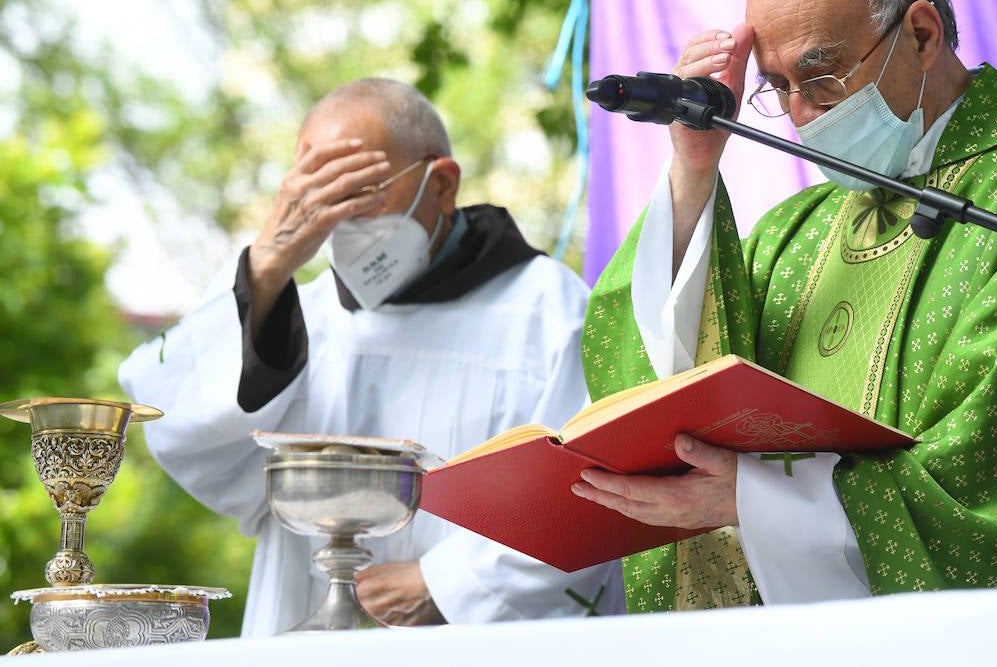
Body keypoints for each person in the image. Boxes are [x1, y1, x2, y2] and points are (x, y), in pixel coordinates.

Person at [572, 0, 997, 612]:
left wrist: (758, 502)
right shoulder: (796, 235)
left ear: (921, 34)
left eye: (822, 75)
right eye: (777, 87)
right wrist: (693, 170)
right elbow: (661, 374)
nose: (801, 113)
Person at [119, 77, 624, 635]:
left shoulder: (548, 311)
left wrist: (448, 583)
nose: (344, 219)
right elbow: (185, 438)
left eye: (363, 190)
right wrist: (265, 268)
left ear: (442, 185)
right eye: (319, 195)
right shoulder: (284, 320)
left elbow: (594, 487)